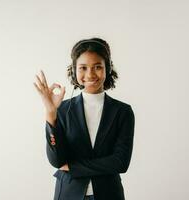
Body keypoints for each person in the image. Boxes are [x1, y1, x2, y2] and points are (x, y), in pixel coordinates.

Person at [33, 37, 135, 200]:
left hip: (109, 195)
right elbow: (57, 160)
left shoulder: (122, 111)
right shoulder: (63, 109)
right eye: (83, 68)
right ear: (74, 70)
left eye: (97, 67)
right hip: (68, 194)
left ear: (107, 69)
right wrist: (51, 112)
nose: (90, 74)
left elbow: (120, 162)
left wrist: (73, 167)